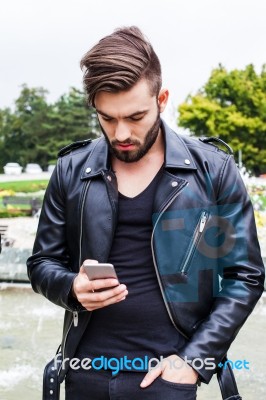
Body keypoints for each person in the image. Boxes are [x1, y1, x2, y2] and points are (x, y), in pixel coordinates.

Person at [27, 26, 265, 400]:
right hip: (83, 375)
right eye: (107, 119)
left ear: (162, 99)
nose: (121, 133)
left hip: (170, 377)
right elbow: (41, 262)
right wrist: (71, 288)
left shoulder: (213, 171)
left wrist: (194, 362)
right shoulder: (71, 170)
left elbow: (245, 276)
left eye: (135, 117)